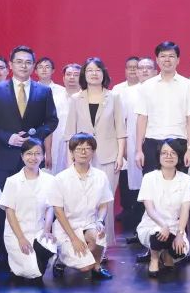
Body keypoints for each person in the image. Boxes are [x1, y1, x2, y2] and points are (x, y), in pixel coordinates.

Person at [0, 45, 59, 270]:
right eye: (19, 61)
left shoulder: (43, 91)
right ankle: (5, 254)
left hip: (32, 157)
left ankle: (35, 247)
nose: (24, 66)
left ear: (33, 66)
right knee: (4, 206)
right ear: (11, 65)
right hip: (4, 157)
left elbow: (52, 120)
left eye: (28, 62)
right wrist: (8, 137)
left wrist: (34, 137)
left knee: (34, 204)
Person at [134, 41, 190, 255]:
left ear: (178, 60)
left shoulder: (188, 85)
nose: (167, 60)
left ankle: (179, 243)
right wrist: (138, 149)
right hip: (153, 142)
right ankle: (152, 244)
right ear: (157, 60)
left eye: (171, 56)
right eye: (163, 56)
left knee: (180, 195)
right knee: (152, 193)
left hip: (178, 144)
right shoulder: (147, 86)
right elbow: (142, 118)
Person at [64, 57, 126, 247]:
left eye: (97, 70)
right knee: (84, 200)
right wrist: (69, 160)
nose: (94, 73)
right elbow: (70, 133)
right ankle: (85, 241)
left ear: (103, 74)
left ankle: (104, 243)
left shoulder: (114, 97)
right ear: (84, 74)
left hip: (109, 156)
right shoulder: (76, 99)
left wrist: (120, 156)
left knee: (106, 199)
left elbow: (121, 130)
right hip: (81, 156)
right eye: (90, 70)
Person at [50, 133, 113, 280]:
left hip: (89, 223)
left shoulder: (101, 176)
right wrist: (74, 239)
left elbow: (104, 204)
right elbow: (58, 212)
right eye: (79, 149)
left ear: (93, 152)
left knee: (99, 235)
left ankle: (97, 266)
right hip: (67, 228)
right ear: (72, 152)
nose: (83, 152)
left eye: (88, 148)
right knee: (85, 267)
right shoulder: (61, 178)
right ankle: (60, 260)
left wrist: (100, 221)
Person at [0, 138, 57, 283]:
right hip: (17, 233)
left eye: (37, 153)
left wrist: (47, 230)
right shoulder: (12, 181)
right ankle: (22, 267)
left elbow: (50, 207)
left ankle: (39, 263)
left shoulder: (50, 180)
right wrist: (21, 238)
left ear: (43, 156)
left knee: (43, 260)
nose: (33, 157)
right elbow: (9, 212)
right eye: (29, 153)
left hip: (39, 231)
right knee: (28, 273)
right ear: (22, 156)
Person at [136, 138, 190, 277]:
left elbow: (185, 210)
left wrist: (180, 234)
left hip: (174, 226)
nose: (169, 156)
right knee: (158, 236)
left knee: (178, 251)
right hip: (153, 224)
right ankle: (154, 258)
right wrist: (163, 225)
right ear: (159, 156)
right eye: (164, 153)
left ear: (179, 156)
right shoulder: (149, 178)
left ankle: (167, 253)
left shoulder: (185, 179)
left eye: (173, 153)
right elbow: (150, 210)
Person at [112, 55, 144, 243]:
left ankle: (140, 215)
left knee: (140, 177)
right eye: (129, 67)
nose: (133, 70)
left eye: (136, 67)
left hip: (142, 138)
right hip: (125, 137)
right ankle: (128, 210)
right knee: (126, 176)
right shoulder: (117, 89)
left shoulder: (145, 88)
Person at [49, 63, 83, 174]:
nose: (72, 77)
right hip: (57, 144)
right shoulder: (54, 98)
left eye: (76, 75)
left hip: (80, 144)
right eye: (68, 74)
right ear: (63, 78)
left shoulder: (87, 98)